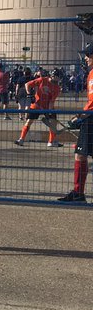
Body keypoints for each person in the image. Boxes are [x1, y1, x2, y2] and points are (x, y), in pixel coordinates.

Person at [57, 42, 93, 203]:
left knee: (80, 155)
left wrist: (82, 115)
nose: (86, 58)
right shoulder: (90, 74)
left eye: (88, 55)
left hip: (90, 117)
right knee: (80, 155)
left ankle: (78, 193)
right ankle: (78, 193)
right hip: (89, 116)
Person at [14, 68, 63, 147]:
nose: (59, 79)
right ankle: (21, 139)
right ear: (52, 76)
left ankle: (51, 141)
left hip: (47, 107)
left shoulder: (57, 88)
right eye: (58, 77)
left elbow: (51, 101)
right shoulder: (42, 80)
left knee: (53, 123)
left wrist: (50, 112)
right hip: (36, 105)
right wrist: (29, 94)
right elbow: (27, 85)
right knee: (29, 122)